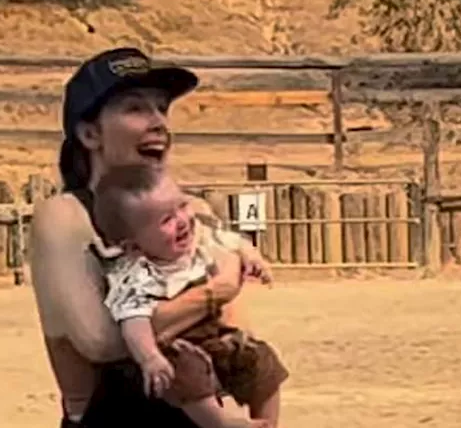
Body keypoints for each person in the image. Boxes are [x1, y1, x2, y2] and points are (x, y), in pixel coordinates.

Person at [29, 47, 286, 428]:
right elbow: (100, 342)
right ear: (89, 133)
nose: (158, 122)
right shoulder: (65, 215)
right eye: (135, 109)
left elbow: (237, 329)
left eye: (162, 109)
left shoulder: (193, 208)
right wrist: (213, 291)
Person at [91, 163, 287, 428]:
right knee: (184, 371)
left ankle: (267, 422)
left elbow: (233, 241)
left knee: (260, 358)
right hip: (175, 346)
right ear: (133, 246)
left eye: (181, 206)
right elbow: (133, 320)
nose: (182, 221)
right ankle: (221, 424)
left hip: (215, 336)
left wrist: (251, 257)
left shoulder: (200, 241)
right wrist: (149, 356)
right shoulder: (136, 274)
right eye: (166, 220)